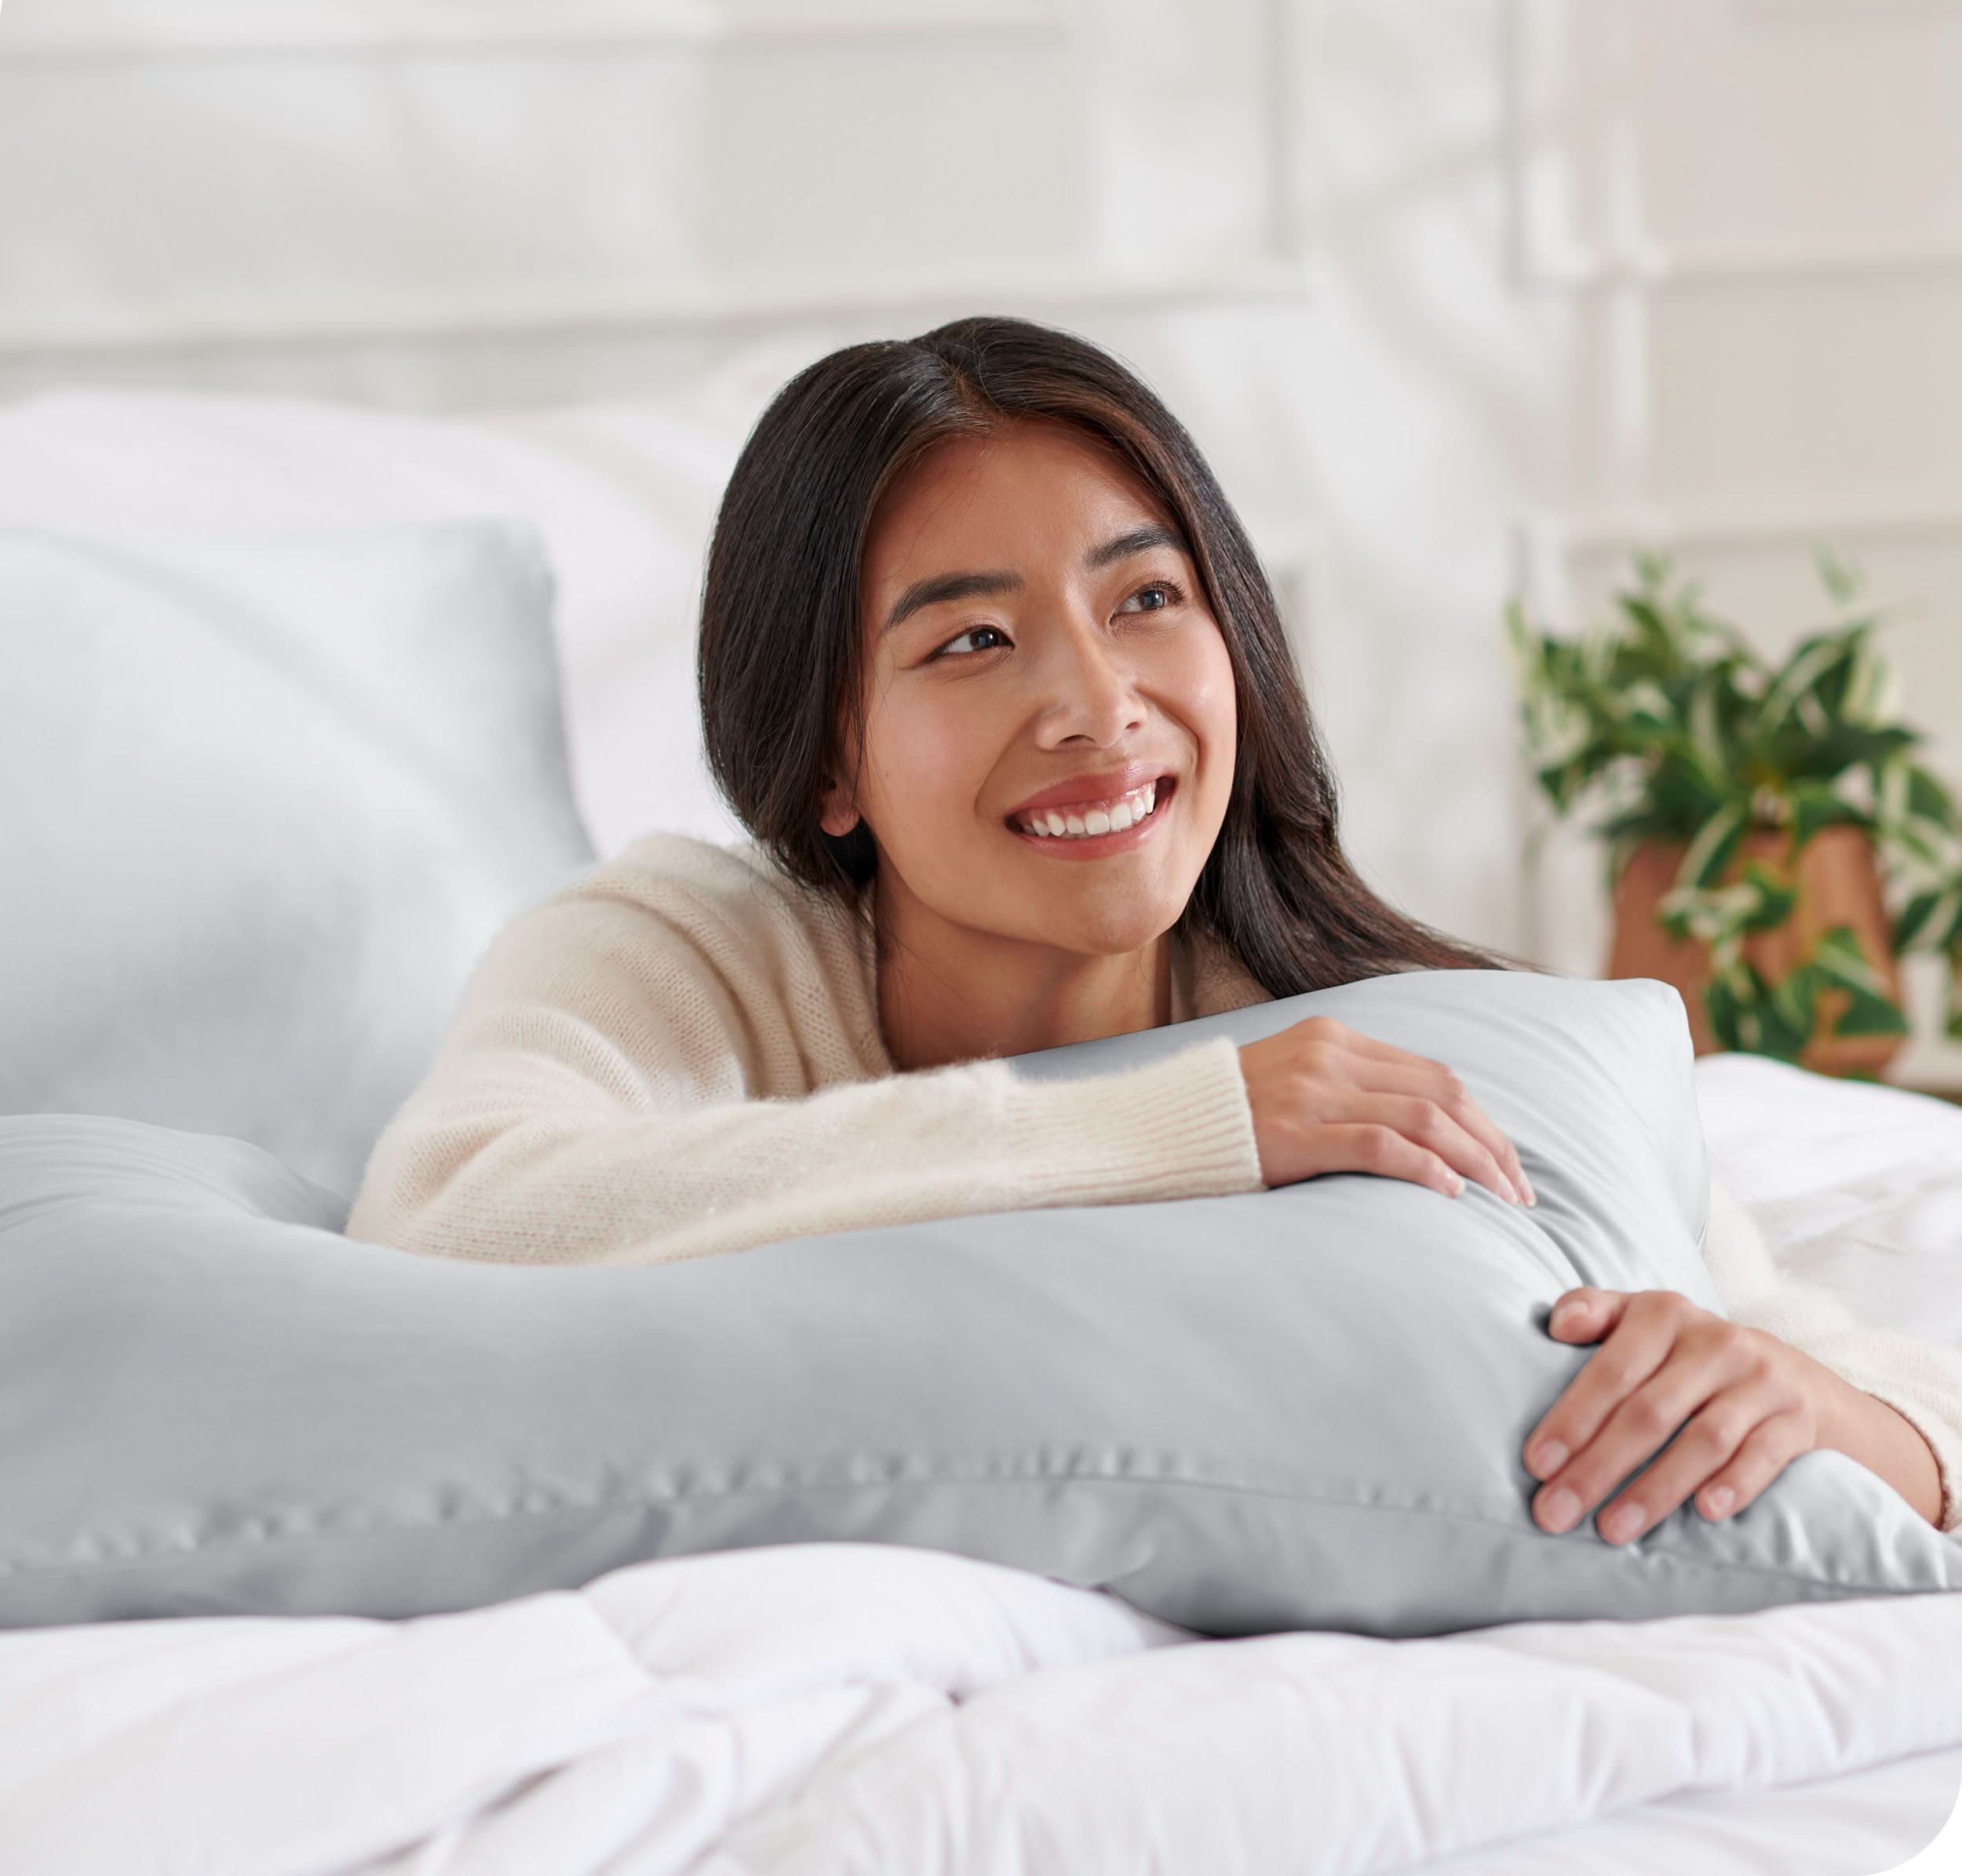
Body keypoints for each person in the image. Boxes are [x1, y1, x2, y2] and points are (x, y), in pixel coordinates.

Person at [345, 316, 1959, 1542]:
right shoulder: (686, 947)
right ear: (829, 755)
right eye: (971, 638)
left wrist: (1798, 1399)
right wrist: (1174, 1129)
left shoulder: (1379, 1031)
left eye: (1143, 599)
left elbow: (1899, 1404)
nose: (1095, 706)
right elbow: (447, 1213)